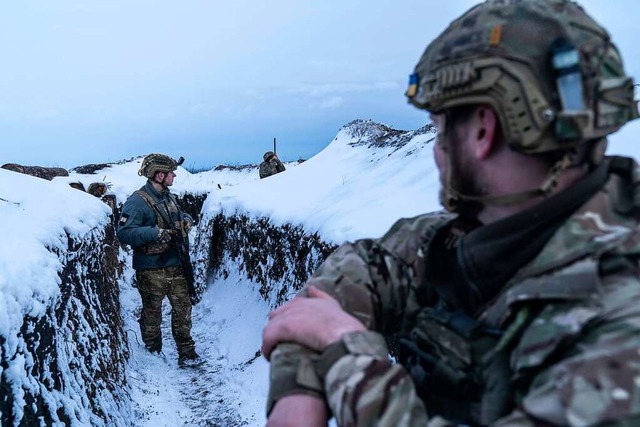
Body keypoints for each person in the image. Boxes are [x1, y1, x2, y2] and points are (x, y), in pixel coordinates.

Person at [261, 0, 640, 425]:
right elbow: (354, 273)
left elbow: (327, 322)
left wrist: (343, 347)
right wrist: (298, 397)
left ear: (483, 131)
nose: (438, 153)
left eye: (441, 130)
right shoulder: (482, 237)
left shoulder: (624, 327)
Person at [117, 153, 199, 367]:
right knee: (152, 312)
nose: (174, 176)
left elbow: (181, 215)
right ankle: (153, 350)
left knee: (183, 309)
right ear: (159, 175)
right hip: (151, 269)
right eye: (171, 172)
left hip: (177, 265)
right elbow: (124, 233)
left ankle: (186, 352)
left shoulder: (168, 197)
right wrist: (153, 233)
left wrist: (187, 221)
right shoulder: (137, 202)